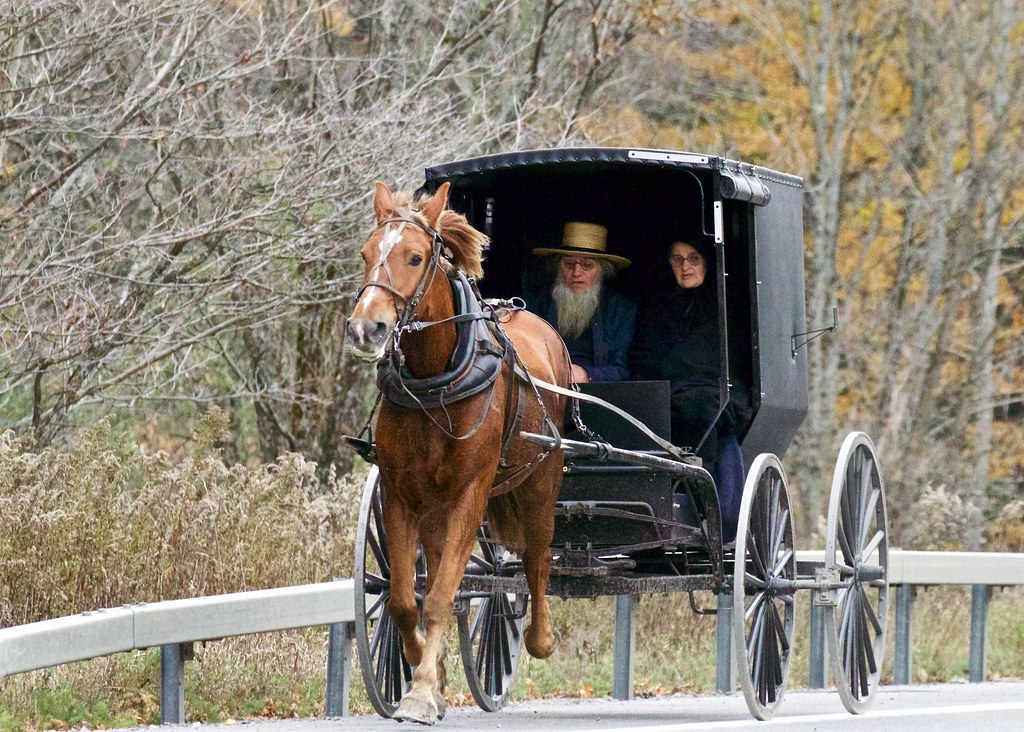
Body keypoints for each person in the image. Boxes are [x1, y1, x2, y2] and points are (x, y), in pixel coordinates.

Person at [630, 239, 751, 542]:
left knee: (702, 409)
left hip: (714, 389)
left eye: (693, 258)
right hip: (668, 390)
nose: (685, 266)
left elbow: (724, 359)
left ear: (707, 261)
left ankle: (716, 506)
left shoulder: (726, 306)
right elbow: (644, 355)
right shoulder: (657, 307)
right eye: (677, 259)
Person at [527, 222, 636, 383]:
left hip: (599, 392)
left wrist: (586, 375)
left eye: (587, 265)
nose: (576, 272)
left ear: (602, 269)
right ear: (559, 266)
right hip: (544, 387)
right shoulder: (535, 302)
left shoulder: (621, 309)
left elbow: (624, 370)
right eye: (569, 264)